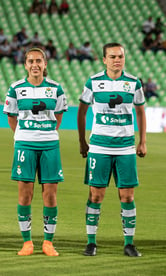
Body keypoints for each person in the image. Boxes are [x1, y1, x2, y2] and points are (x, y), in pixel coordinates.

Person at [77, 42, 146, 257]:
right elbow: (81, 111)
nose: (117, 60)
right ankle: (91, 242)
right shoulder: (94, 82)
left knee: (127, 195)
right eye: (113, 56)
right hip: (99, 146)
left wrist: (142, 141)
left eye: (120, 56)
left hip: (125, 147)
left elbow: (141, 112)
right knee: (96, 195)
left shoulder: (133, 83)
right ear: (104, 59)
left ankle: (129, 243)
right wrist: (82, 141)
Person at [3, 47, 67, 257]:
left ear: (45, 64)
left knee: (50, 194)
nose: (35, 65)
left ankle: (48, 242)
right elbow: (12, 117)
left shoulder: (56, 89)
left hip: (49, 145)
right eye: (31, 61)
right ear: (25, 65)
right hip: (25, 145)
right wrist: (23, 135)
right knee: (25, 193)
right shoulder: (16, 88)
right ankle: (27, 242)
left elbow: (58, 117)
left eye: (39, 61)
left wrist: (45, 133)